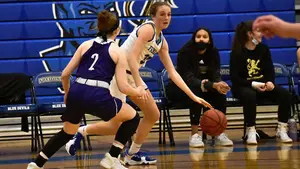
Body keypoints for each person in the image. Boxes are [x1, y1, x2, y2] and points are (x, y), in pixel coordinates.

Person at [66, 1, 212, 166]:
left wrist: (193, 97)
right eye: (162, 14)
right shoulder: (147, 29)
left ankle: (132, 154)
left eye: (169, 14)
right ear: (153, 16)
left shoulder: (162, 42)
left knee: (153, 114)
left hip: (132, 77)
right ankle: (80, 132)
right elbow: (130, 58)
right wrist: (139, 83)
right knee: (116, 125)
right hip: (118, 76)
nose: (166, 18)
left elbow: (172, 72)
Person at [27, 10, 144, 169]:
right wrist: (137, 91)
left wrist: (67, 93)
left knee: (67, 132)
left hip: (77, 90)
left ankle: (36, 164)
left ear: (98, 26)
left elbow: (65, 74)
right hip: (96, 94)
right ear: (117, 30)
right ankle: (111, 157)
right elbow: (123, 86)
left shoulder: (85, 45)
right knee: (133, 117)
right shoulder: (117, 51)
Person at [166, 28, 233, 147]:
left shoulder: (213, 52)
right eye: (198, 36)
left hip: (203, 87)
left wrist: (219, 84)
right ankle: (194, 135)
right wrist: (211, 85)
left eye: (204, 36)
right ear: (194, 38)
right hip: (179, 89)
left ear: (209, 40)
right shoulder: (185, 52)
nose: (201, 39)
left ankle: (219, 132)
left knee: (220, 93)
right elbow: (189, 79)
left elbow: (216, 73)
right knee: (196, 93)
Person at [230, 20, 293, 145]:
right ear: (250, 34)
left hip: (263, 86)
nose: (262, 34)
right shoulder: (237, 52)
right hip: (243, 87)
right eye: (259, 31)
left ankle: (282, 128)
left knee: (285, 94)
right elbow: (235, 78)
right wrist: (253, 84)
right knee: (250, 95)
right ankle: (251, 130)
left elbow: (270, 71)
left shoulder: (263, 49)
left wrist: (270, 82)